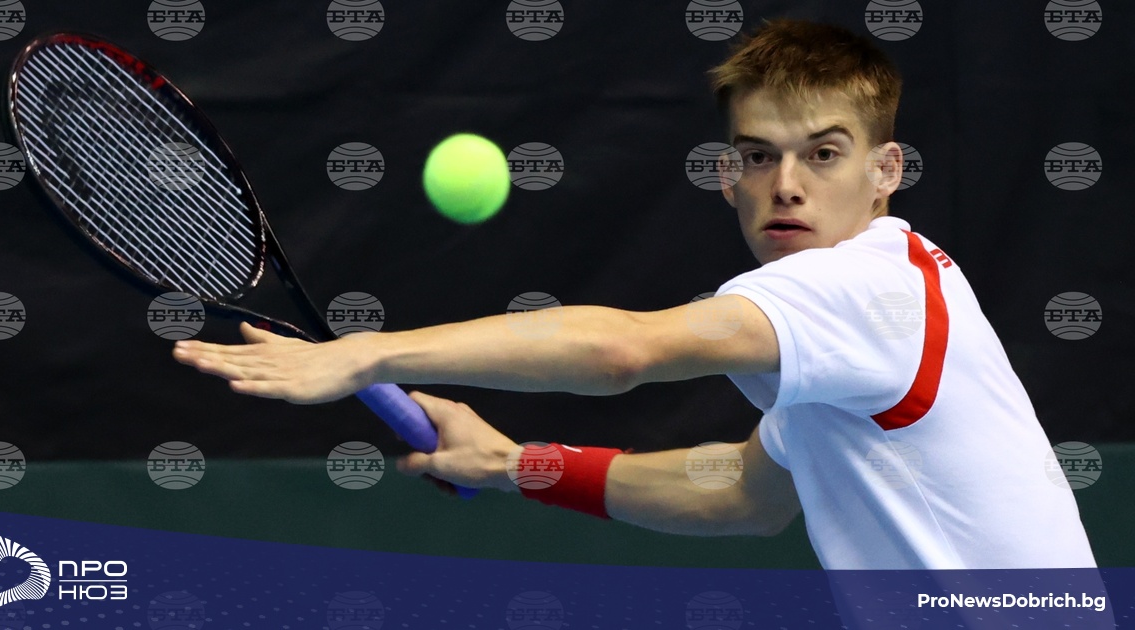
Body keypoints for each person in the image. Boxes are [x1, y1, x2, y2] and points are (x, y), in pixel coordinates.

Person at [172, 19, 1096, 571]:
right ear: (727, 176)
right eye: (757, 156)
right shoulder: (864, 316)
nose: (786, 185)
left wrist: (369, 352)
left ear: (885, 171)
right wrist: (513, 464)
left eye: (823, 153)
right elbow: (742, 494)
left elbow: (624, 351)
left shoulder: (860, 285)